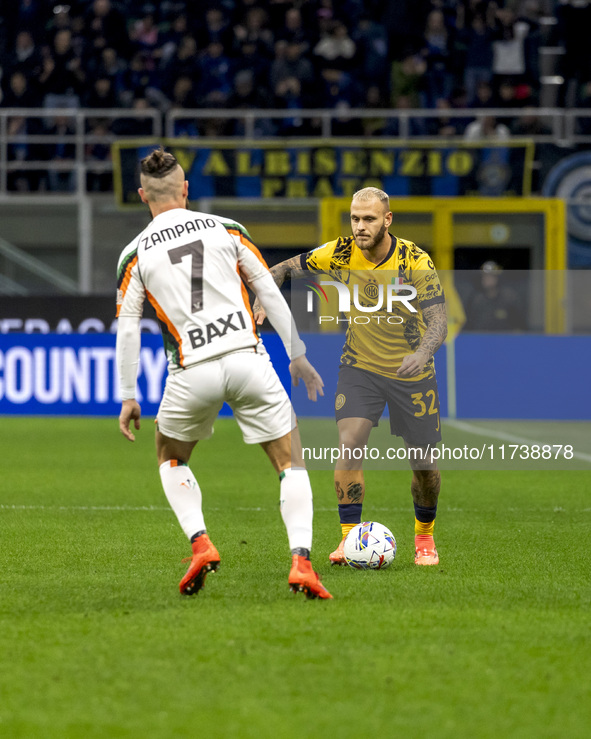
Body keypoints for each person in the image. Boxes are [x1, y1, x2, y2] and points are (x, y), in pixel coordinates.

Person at [116, 148, 332, 600]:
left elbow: (129, 328)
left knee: (169, 457)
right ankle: (302, 563)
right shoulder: (226, 228)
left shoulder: (135, 255)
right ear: (186, 189)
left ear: (142, 196)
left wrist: (128, 393)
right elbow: (268, 291)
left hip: (191, 370)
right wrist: (297, 354)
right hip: (247, 357)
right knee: (289, 460)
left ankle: (200, 543)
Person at [253, 187, 448, 567]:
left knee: (423, 463)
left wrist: (422, 353)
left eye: (369, 219)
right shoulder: (340, 251)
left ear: (387, 220)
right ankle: (349, 539)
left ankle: (424, 537)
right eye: (355, 219)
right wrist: (265, 292)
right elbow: (283, 269)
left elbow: (439, 321)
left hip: (412, 372)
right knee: (349, 442)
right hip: (360, 366)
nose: (360, 227)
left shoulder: (414, 261)